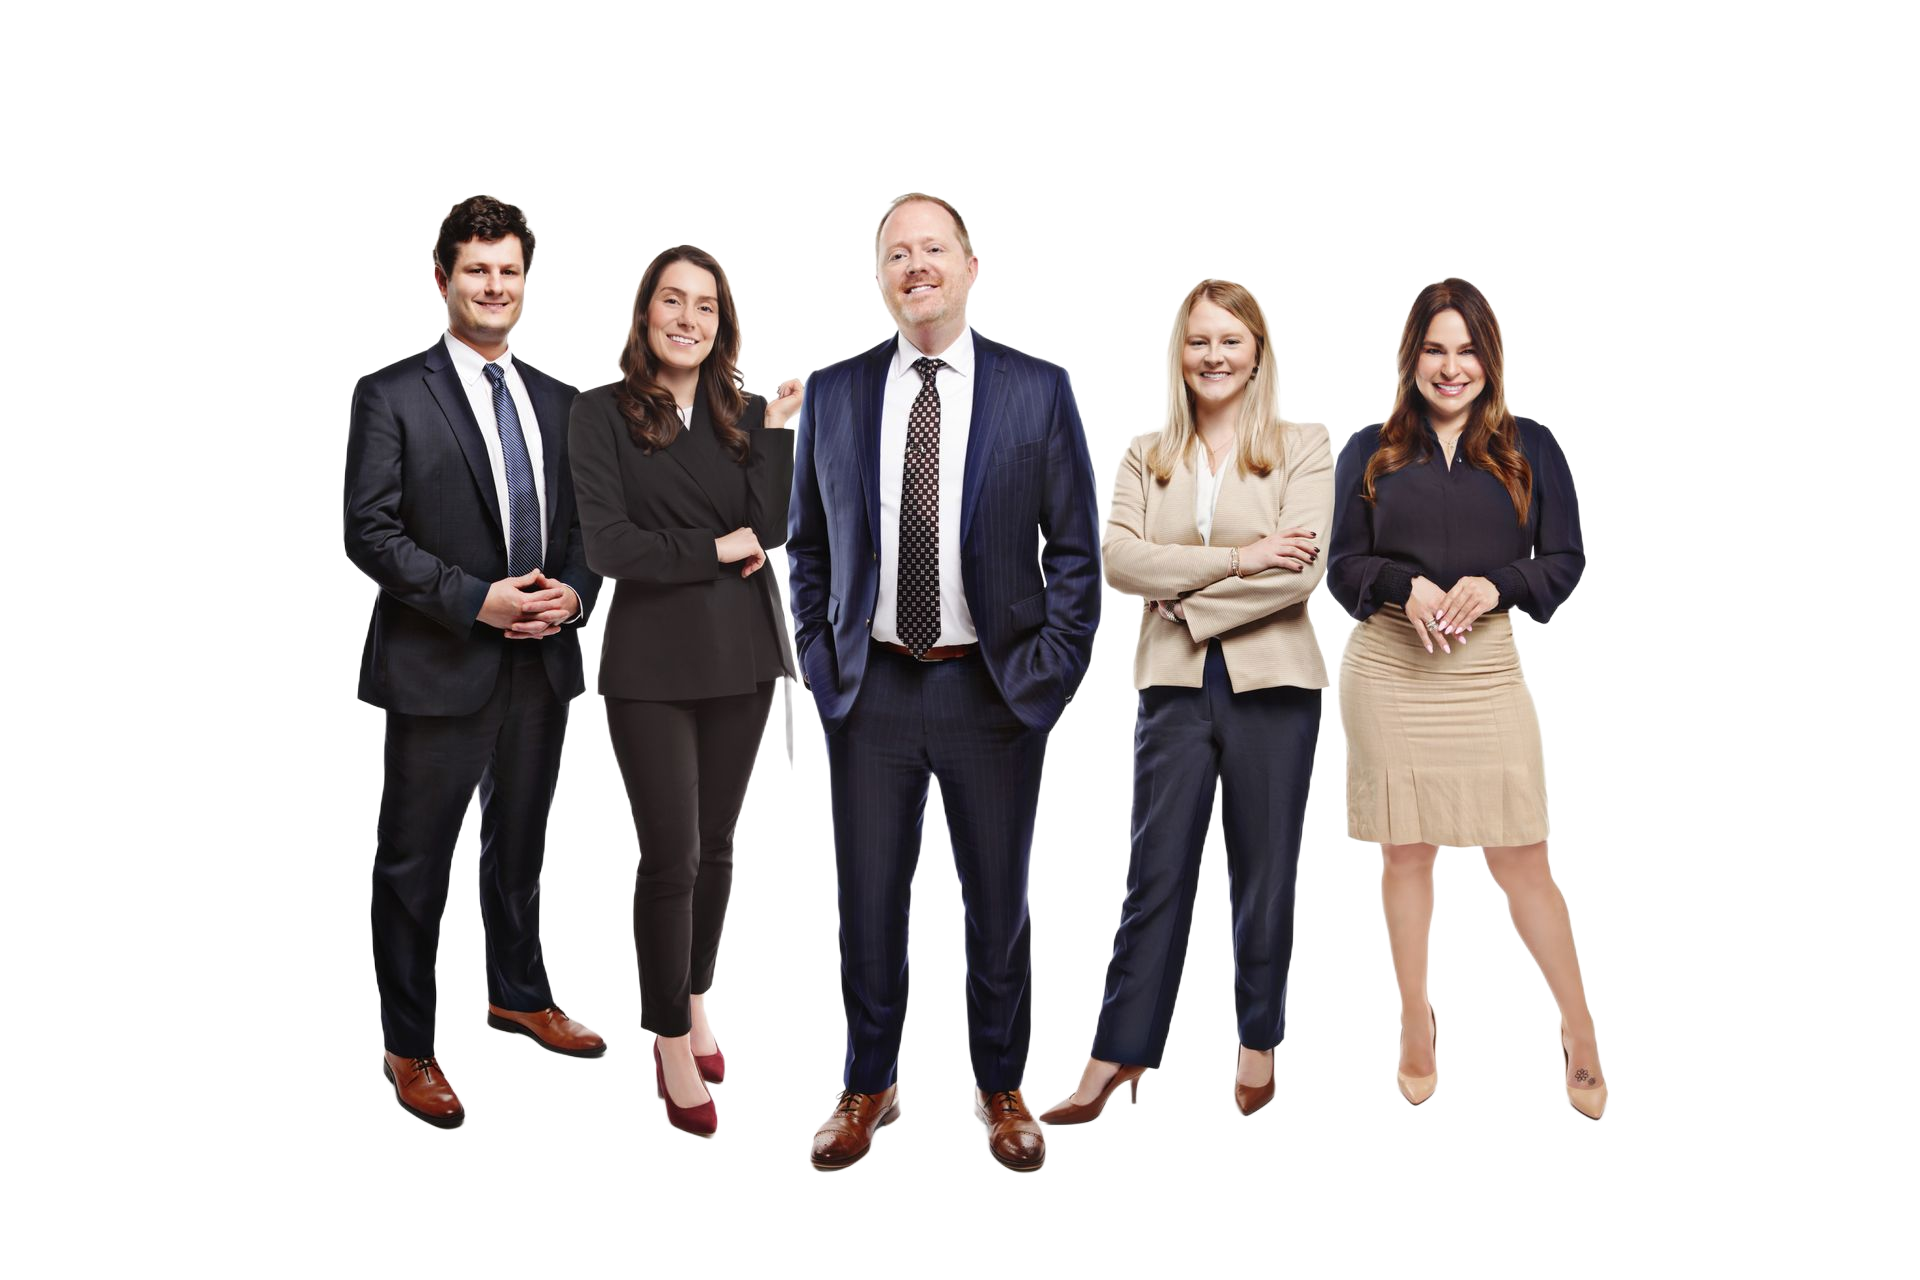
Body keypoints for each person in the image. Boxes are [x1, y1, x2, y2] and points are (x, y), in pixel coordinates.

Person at [787, 191, 1103, 1174]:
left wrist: (1043, 680)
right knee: (869, 901)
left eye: (933, 248)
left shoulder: (1038, 388)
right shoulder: (835, 392)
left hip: (992, 692)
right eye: (896, 253)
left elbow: (1078, 558)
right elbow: (808, 547)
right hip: (870, 691)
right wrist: (821, 659)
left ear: (971, 264)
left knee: (998, 904)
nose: (915, 265)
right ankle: (868, 1082)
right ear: (879, 275)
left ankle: (1001, 1083)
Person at [1037, 277, 1334, 1127]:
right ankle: (1115, 1052)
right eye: (1199, 341)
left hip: (1276, 686)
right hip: (1170, 687)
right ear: (1180, 352)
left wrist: (1191, 597)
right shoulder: (1144, 453)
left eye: (1229, 341)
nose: (1213, 356)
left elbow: (1304, 570)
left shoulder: (1306, 443)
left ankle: (1257, 1041)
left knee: (1264, 871)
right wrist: (1243, 560)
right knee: (1154, 871)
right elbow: (1119, 561)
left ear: (1257, 352)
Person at [344, 193, 609, 1132]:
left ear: (526, 285)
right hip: (438, 662)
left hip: (543, 665)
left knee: (522, 848)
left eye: (509, 272)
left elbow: (587, 530)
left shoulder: (562, 401)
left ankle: (518, 993)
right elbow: (367, 532)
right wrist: (476, 599)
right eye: (477, 270)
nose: (494, 286)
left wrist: (575, 592)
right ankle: (409, 1047)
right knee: (415, 867)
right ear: (444, 279)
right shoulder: (389, 393)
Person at [1325, 275, 1606, 1122]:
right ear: (1411, 358)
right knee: (1404, 852)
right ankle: (1417, 1015)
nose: (1452, 369)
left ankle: (1580, 1025)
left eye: (1468, 351)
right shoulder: (1369, 446)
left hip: (1486, 672)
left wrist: (1496, 585)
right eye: (1435, 351)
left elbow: (1566, 560)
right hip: (1389, 667)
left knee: (1522, 857)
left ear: (1492, 359)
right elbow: (1341, 565)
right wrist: (1401, 587)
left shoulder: (1531, 446)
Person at [568, 244, 802, 1141]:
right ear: (645, 312)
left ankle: (697, 998)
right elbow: (611, 548)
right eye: (674, 301)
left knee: (717, 846)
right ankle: (667, 1041)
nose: (689, 319)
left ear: (723, 322)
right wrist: (714, 549)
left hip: (743, 657)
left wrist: (776, 429)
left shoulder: (744, 410)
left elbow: (772, 527)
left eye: (706, 306)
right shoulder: (601, 415)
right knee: (668, 858)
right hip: (651, 668)